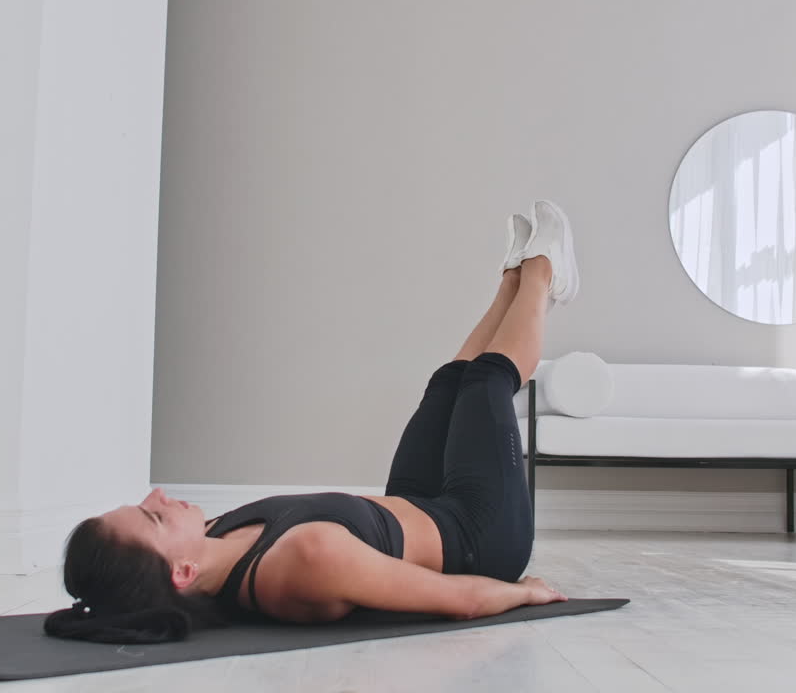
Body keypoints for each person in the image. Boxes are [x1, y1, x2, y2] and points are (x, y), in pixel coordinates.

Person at [45, 200, 581, 643]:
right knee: (487, 381)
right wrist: (522, 592)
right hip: (478, 536)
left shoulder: (207, 543)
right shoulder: (303, 561)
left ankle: (511, 277)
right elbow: (458, 602)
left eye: (145, 506)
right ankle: (544, 272)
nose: (158, 495)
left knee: (447, 385)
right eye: (154, 519)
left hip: (414, 507)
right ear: (181, 573)